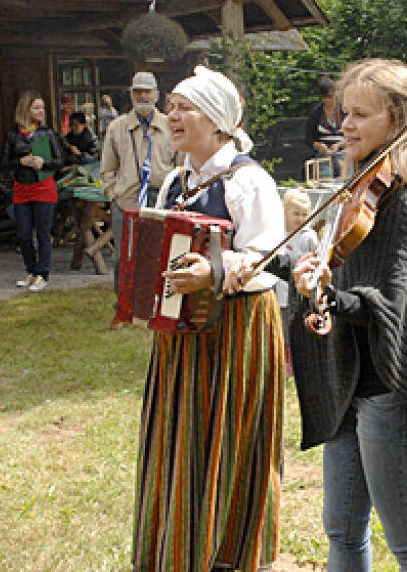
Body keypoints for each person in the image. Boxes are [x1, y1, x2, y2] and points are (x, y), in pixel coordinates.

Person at [278, 59, 407, 572]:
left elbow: (398, 306)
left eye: (360, 115)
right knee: (342, 531)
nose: (345, 126)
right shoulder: (360, 186)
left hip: (389, 388)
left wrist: (331, 297)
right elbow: (344, 272)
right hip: (348, 379)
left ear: (399, 120)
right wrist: (305, 271)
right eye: (344, 113)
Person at [133, 66, 285, 572]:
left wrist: (215, 271)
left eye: (184, 107)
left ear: (217, 121)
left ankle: (228, 553)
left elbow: (268, 254)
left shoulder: (248, 179)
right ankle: (180, 545)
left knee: (230, 437)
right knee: (180, 434)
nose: (171, 115)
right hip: (181, 334)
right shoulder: (175, 181)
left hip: (237, 328)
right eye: (170, 106)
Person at [100, 71, 178, 311]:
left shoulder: (170, 125)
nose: (143, 95)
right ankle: (124, 304)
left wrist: (175, 195)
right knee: (123, 257)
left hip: (161, 199)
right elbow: (107, 168)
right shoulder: (117, 127)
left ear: (157, 94)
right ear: (131, 93)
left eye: (148, 91)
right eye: (138, 91)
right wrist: (114, 193)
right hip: (127, 201)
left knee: (160, 254)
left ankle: (155, 304)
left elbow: (181, 166)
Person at [0, 91, 64, 292]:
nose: (41, 112)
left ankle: (42, 274)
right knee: (24, 233)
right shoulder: (12, 135)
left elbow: (60, 161)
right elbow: (3, 164)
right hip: (21, 187)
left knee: (43, 232)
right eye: (36, 107)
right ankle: (31, 269)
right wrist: (20, 161)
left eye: (42, 108)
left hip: (43, 187)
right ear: (25, 109)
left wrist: (43, 162)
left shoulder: (48, 133)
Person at [274, 188, 319, 376]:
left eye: (304, 215)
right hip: (279, 291)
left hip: (299, 291)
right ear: (284, 211)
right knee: (281, 327)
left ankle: (295, 361)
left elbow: (317, 258)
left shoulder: (308, 236)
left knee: (296, 327)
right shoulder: (276, 232)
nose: (301, 218)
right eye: (296, 214)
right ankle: (281, 361)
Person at [304, 75, 345, 177]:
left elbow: (354, 136)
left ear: (336, 94)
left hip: (343, 154)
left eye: (329, 97)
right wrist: (318, 145)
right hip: (323, 156)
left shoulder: (345, 110)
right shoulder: (316, 113)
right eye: (324, 97)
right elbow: (308, 139)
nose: (326, 100)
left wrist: (339, 145)